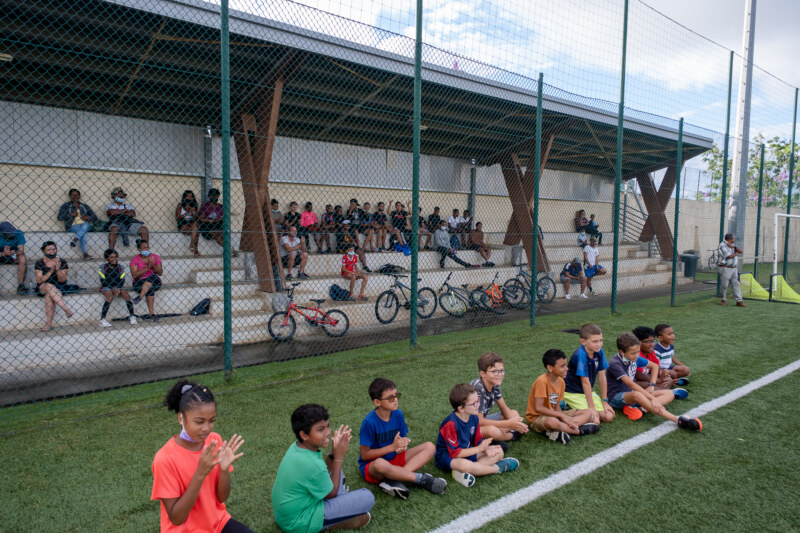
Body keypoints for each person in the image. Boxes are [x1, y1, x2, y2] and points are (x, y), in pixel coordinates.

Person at [152, 380, 252, 533]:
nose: (206, 428)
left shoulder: (215, 440)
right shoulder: (164, 459)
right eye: (199, 422)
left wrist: (224, 470)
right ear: (181, 419)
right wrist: (200, 473)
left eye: (211, 421)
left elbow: (221, 498)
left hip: (219, 524)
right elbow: (176, 518)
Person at [272, 403, 375, 532]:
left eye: (328, 426)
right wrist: (339, 456)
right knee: (367, 497)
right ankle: (333, 519)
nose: (327, 433)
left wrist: (332, 454)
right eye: (320, 429)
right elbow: (331, 493)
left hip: (285, 517)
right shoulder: (310, 463)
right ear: (304, 435)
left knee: (336, 471)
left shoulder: (297, 446)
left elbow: (320, 472)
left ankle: (340, 511)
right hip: (297, 523)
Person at [358, 378, 446, 500]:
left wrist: (400, 447)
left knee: (430, 447)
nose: (396, 400)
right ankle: (420, 479)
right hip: (374, 467)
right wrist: (391, 447)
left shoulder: (398, 414)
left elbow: (401, 439)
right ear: (377, 402)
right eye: (390, 398)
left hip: (394, 458)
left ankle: (394, 480)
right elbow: (364, 455)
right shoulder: (369, 422)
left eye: (396, 395)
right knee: (380, 464)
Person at [606, 333, 702, 430]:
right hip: (616, 397)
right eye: (633, 353)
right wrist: (652, 399)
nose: (636, 355)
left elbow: (654, 366)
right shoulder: (615, 363)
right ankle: (677, 419)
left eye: (638, 352)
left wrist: (652, 385)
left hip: (632, 394)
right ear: (622, 352)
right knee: (637, 394)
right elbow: (630, 384)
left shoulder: (634, 357)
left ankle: (640, 410)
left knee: (669, 394)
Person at [435, 383, 519, 488]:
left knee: (499, 451)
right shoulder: (451, 424)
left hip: (469, 451)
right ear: (461, 408)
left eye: (478, 401)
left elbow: (478, 439)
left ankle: (462, 473)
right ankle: (497, 468)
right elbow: (455, 453)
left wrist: (486, 449)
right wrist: (479, 449)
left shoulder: (474, 416)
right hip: (447, 458)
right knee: (464, 465)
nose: (478, 405)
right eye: (474, 403)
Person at [525, 349, 600, 444]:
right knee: (553, 422)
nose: (567, 368)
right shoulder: (542, 381)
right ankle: (578, 431)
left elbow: (556, 407)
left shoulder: (561, 382)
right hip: (537, 418)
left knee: (589, 412)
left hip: (554, 414)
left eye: (566, 365)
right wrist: (562, 416)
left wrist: (565, 418)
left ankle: (562, 429)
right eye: (562, 366)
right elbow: (538, 408)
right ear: (550, 368)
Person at [469, 352, 529, 445]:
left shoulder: (494, 384)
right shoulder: (477, 389)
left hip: (481, 421)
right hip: (469, 427)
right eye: (494, 371)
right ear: (483, 373)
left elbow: (504, 408)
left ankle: (497, 436)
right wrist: (509, 424)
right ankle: (511, 436)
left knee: (514, 414)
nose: (499, 374)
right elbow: (479, 421)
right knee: (493, 431)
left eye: (501, 370)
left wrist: (516, 422)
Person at [563, 323, 615, 424]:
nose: (599, 344)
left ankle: (578, 409)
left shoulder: (599, 351)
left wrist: (605, 401)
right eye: (595, 341)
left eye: (600, 340)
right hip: (572, 392)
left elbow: (602, 376)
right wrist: (592, 408)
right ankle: (567, 408)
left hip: (587, 392)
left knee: (609, 417)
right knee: (595, 420)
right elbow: (585, 382)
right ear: (583, 342)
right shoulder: (580, 355)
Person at [632, 326, 686, 395]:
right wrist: (658, 380)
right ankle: (665, 393)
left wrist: (663, 373)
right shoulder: (636, 355)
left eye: (653, 341)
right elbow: (639, 376)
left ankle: (659, 392)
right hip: (636, 381)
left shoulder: (651, 353)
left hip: (648, 379)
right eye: (648, 342)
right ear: (637, 343)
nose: (652, 345)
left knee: (668, 379)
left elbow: (656, 367)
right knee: (649, 385)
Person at [34, 241, 74, 331]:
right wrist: (51, 271)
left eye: (54, 249)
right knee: (48, 286)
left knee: (49, 295)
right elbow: (39, 280)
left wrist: (58, 269)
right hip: (43, 286)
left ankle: (48, 324)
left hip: (59, 286)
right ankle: (66, 309)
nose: (52, 251)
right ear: (43, 251)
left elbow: (62, 280)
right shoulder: (39, 263)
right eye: (49, 249)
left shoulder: (62, 262)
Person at [98, 248, 137, 327]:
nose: (114, 259)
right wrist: (113, 289)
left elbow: (122, 280)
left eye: (115, 257)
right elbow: (103, 281)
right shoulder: (102, 267)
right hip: (107, 286)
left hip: (118, 286)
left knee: (126, 295)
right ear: (107, 258)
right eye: (111, 257)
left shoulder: (120, 267)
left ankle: (132, 316)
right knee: (109, 296)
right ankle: (102, 320)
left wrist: (118, 288)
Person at [57, 188, 98, 260]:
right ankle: (85, 254)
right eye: (73, 195)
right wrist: (70, 215)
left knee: (86, 225)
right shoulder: (66, 206)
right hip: (73, 225)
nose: (75, 197)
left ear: (79, 196)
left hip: (84, 225)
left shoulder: (84, 206)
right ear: (70, 196)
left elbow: (95, 218)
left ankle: (76, 239)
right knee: (83, 233)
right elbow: (59, 217)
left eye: (77, 195)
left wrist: (88, 217)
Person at [130, 239, 163, 322]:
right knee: (150, 289)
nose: (147, 250)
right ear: (139, 249)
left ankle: (140, 296)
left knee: (152, 276)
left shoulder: (155, 257)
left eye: (147, 247)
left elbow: (160, 272)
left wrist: (153, 265)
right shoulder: (135, 260)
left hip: (155, 281)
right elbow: (134, 275)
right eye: (144, 248)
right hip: (139, 282)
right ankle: (152, 314)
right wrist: (147, 267)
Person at [198, 188, 237, 256]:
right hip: (208, 226)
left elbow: (224, 218)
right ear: (209, 196)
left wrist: (220, 219)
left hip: (218, 225)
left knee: (222, 232)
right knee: (216, 234)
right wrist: (213, 220)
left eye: (216, 196)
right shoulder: (205, 206)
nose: (214, 197)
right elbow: (201, 219)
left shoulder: (221, 206)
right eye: (213, 196)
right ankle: (229, 249)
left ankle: (228, 250)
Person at [0, 221, 29, 295]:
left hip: (13, 256)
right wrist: (3, 253)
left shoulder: (18, 233)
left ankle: (21, 285)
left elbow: (21, 250)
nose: (13, 235)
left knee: (23, 258)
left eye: (13, 232)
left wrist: (12, 253)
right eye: (9, 234)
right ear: (2, 233)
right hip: (1, 255)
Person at [718, 232, 745, 307]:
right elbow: (729, 256)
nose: (735, 239)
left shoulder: (733, 245)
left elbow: (741, 251)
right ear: (730, 238)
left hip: (733, 268)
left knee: (736, 284)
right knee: (725, 285)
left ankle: (739, 300)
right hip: (725, 268)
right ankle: (723, 299)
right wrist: (736, 254)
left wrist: (734, 247)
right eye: (734, 238)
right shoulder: (722, 245)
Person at [175, 190, 200, 257]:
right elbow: (177, 218)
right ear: (184, 197)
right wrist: (186, 212)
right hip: (183, 224)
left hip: (191, 224)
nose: (189, 198)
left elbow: (196, 218)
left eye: (191, 197)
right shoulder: (180, 205)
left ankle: (192, 245)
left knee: (195, 227)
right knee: (196, 232)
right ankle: (195, 250)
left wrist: (193, 213)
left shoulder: (195, 205)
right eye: (187, 197)